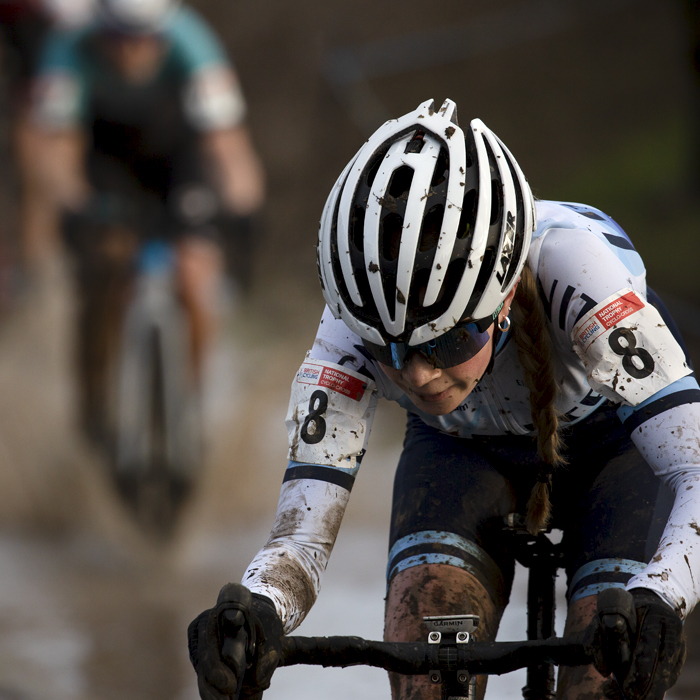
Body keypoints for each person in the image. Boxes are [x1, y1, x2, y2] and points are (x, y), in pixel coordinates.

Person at [187, 98, 697, 699]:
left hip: (616, 449)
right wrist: (257, 609)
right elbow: (300, 540)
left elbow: (693, 465)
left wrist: (660, 596)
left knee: (611, 671)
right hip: (458, 450)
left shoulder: (577, 272)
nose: (417, 375)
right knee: (426, 674)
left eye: (449, 339)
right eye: (387, 350)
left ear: (502, 303)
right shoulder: (350, 321)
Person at [27, 0, 265, 435]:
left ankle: (191, 407)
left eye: (145, 39)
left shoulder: (193, 42)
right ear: (102, 29)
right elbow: (54, 146)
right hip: (106, 165)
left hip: (175, 161)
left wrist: (244, 205)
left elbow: (227, 142)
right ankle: (94, 404)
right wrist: (74, 201)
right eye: (120, 38)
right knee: (106, 266)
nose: (133, 51)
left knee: (195, 272)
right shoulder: (70, 47)